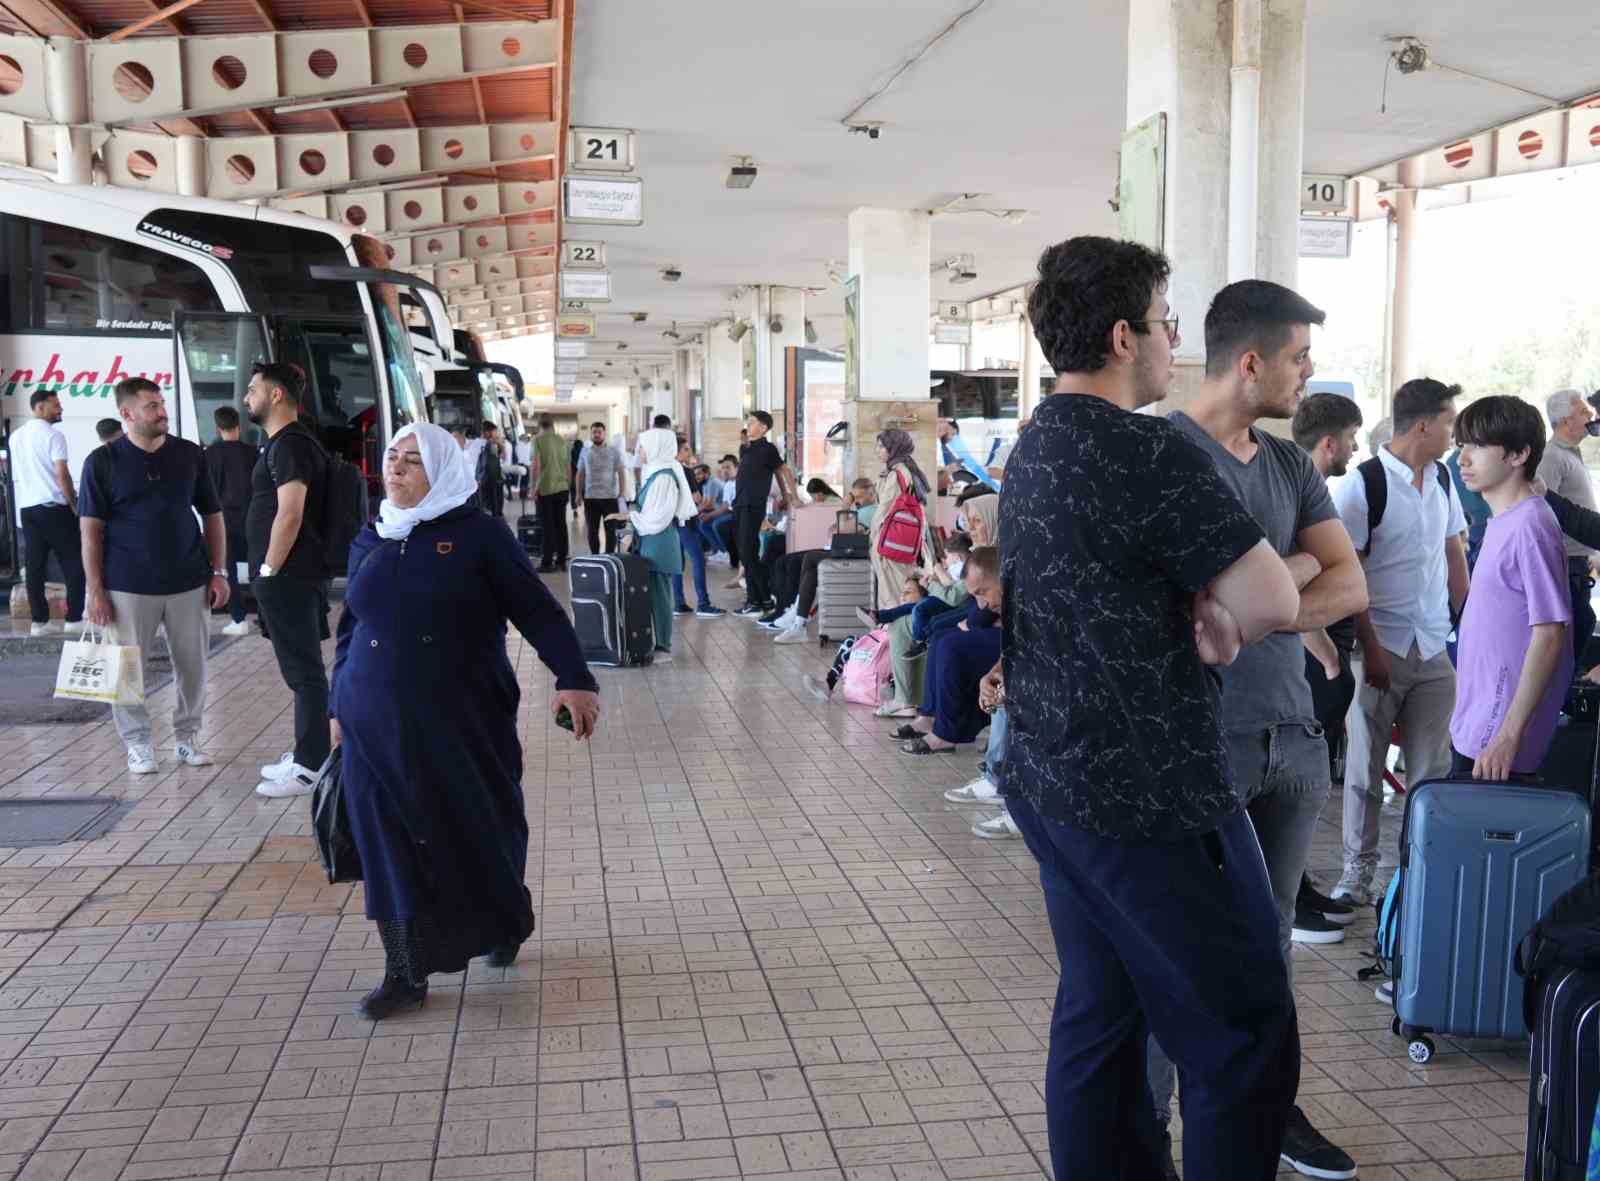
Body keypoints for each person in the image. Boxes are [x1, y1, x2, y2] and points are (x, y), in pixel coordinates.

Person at [1002, 236, 1302, 1181]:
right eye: (1169, 323)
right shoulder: (1147, 448)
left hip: (1052, 777)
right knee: (1241, 1036)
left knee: (1103, 1009)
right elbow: (1274, 602)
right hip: (1153, 795)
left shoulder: (1035, 442)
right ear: (1127, 334)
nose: (1176, 342)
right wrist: (1213, 622)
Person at [1162, 281, 1365, 1177]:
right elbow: (1174, 603)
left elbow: (1350, 584)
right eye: (1297, 357)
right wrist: (1288, 578)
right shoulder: (1163, 453)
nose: (1308, 372)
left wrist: (1252, 610)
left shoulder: (1287, 465)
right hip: (1202, 743)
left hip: (1291, 739)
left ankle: (1265, 1110)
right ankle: (1159, 1131)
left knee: (1272, 943)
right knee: (1180, 947)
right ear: (1252, 363)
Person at [331, 423, 601, 1021]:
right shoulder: (372, 534)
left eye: (412, 462)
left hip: (464, 714)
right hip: (372, 718)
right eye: (392, 458)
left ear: (445, 472)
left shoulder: (480, 535)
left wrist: (574, 678)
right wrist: (335, 708)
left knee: (481, 822)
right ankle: (404, 970)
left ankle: (504, 917)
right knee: (388, 839)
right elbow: (351, 627)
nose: (395, 470)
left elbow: (538, 609)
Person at [1328, 378, 1468, 913]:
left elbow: (1454, 554)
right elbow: (1349, 577)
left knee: (1431, 770)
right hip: (1378, 648)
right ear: (1423, 425)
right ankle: (1356, 874)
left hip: (1433, 648)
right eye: (1450, 422)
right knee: (1364, 770)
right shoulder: (1363, 486)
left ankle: (1418, 873)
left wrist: (1467, 625)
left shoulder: (1444, 480)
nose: (1454, 434)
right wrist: (1372, 650)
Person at [80, 378, 229, 775]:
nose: (161, 412)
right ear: (127, 414)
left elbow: (212, 515)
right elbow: (90, 530)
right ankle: (138, 744)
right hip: (126, 584)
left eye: (161, 404)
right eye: (151, 406)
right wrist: (94, 590)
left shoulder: (189, 454)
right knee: (127, 670)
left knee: (193, 666)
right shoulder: (102, 462)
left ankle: (187, 738)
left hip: (188, 579)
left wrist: (219, 571)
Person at [1451, 396, 1573, 779]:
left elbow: (1550, 633)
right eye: (1461, 445)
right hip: (1477, 730)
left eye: (1478, 446)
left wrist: (1508, 735)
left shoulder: (1531, 525)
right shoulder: (1505, 520)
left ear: (1519, 454)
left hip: (1498, 744)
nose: (1462, 459)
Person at [1287, 392, 1365, 935]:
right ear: (1330, 442)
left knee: (1310, 788)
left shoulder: (1308, 495)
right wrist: (1331, 659)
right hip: (1313, 664)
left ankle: (1302, 887)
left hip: (1324, 663)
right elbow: (1287, 597)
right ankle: (1291, 899)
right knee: (1299, 785)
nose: (1356, 450)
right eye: (1352, 439)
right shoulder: (1294, 499)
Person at [245, 362, 333, 800]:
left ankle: (310, 766)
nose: (247, 398)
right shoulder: (284, 444)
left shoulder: (291, 445)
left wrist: (268, 568)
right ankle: (307, 751)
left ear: (276, 395)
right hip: (290, 574)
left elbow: (291, 512)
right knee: (302, 671)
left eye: (253, 389)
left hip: (288, 574)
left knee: (305, 674)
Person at [892, 545, 1003, 753]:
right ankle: (930, 715)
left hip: (1009, 639)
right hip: (995, 630)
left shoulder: (997, 565)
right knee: (940, 637)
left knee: (951, 645)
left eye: (976, 520)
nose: (981, 603)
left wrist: (975, 622)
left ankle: (946, 734)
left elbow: (978, 612)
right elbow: (976, 608)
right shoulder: (984, 562)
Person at [610, 430, 695, 661]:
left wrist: (627, 516)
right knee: (654, 594)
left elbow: (658, 518)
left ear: (657, 447)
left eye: (643, 447)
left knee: (660, 596)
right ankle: (656, 642)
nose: (639, 452)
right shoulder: (655, 474)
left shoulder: (665, 478)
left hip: (659, 541)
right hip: (651, 540)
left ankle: (664, 647)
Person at [12, 390, 86, 637]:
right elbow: (61, 474)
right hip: (53, 508)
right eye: (56, 406)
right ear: (40, 407)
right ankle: (74, 618)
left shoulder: (16, 437)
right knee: (74, 561)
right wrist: (74, 505)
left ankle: (39, 623)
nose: (60, 409)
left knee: (35, 566)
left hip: (28, 509)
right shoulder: (54, 436)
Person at [1537, 389, 1597, 665]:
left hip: (1579, 561)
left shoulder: (1571, 454)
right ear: (1564, 420)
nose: (1591, 416)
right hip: (1565, 563)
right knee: (1579, 625)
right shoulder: (1551, 457)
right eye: (1583, 412)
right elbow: (1542, 511)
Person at [731, 411, 796, 615]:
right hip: (740, 504)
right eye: (748, 422)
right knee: (745, 553)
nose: (748, 426)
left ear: (764, 428)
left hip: (753, 505)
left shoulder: (768, 449)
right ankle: (759, 600)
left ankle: (761, 600)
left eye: (752, 423)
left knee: (748, 554)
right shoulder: (745, 449)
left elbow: (782, 471)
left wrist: (790, 495)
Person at [206, 406, 260, 637]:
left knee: (229, 571)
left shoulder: (211, 454)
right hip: (253, 518)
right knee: (259, 568)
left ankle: (238, 620)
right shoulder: (253, 453)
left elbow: (209, 492)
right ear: (239, 426)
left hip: (224, 521)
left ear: (218, 428)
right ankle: (265, 617)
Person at [867, 429, 933, 609]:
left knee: (893, 593)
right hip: (906, 541)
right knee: (903, 590)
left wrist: (873, 536)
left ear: (894, 448)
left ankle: (892, 632)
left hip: (891, 543)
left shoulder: (897, 473)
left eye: (882, 446)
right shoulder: (908, 468)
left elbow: (884, 510)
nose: (878, 450)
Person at [671, 436, 723, 618]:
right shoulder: (685, 471)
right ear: (677, 450)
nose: (689, 452)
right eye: (686, 449)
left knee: (678, 562)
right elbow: (697, 498)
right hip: (686, 521)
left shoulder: (666, 469)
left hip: (672, 521)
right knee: (698, 559)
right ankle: (703, 603)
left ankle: (678, 602)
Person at [528, 414, 571, 571]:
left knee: (548, 527)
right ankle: (561, 561)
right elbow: (567, 467)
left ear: (540, 425)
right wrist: (568, 485)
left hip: (545, 489)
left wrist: (533, 488)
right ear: (553, 425)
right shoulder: (562, 441)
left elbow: (536, 466)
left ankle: (547, 563)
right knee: (561, 525)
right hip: (562, 488)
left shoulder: (537, 441)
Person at [576, 421, 626, 555]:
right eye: (594, 432)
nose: (597, 435)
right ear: (591, 434)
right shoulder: (584, 451)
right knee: (592, 531)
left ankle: (609, 556)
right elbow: (580, 473)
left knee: (611, 531)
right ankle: (595, 556)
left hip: (610, 498)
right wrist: (578, 494)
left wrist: (621, 493)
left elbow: (621, 472)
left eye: (599, 432)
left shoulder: (613, 451)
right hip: (591, 498)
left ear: (604, 434)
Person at [938, 419, 1000, 491]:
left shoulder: (946, 447)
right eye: (952, 434)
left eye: (953, 434)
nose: (951, 437)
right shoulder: (944, 447)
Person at [476, 421, 506, 519]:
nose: (496, 434)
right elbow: (502, 456)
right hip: (489, 479)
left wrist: (498, 443)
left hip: (489, 478)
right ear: (487, 432)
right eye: (494, 431)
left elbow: (502, 456)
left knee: (492, 504)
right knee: (491, 504)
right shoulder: (485, 444)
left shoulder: (490, 443)